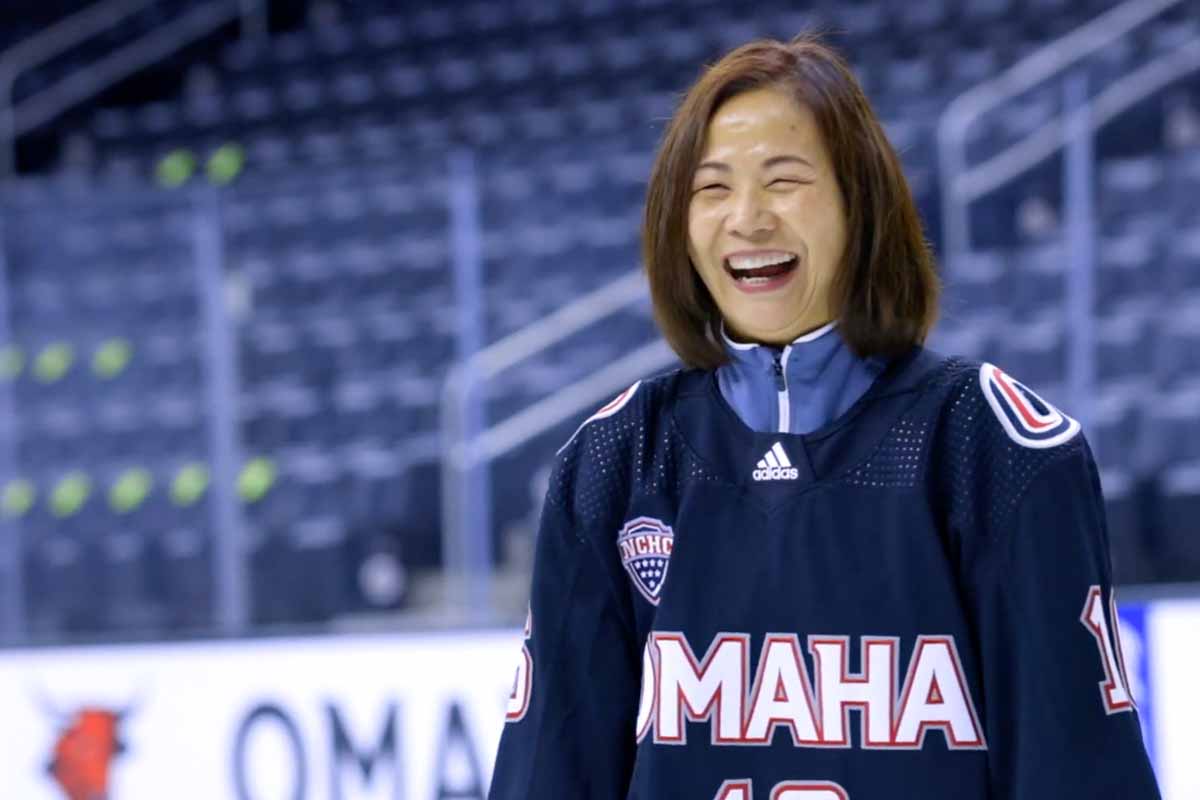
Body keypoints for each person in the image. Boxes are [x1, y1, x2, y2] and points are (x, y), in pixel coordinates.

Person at [488, 34, 1160, 800]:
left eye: (784, 180)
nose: (746, 218)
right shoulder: (614, 462)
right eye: (711, 189)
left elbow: (1076, 776)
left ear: (860, 205)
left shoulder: (994, 450)